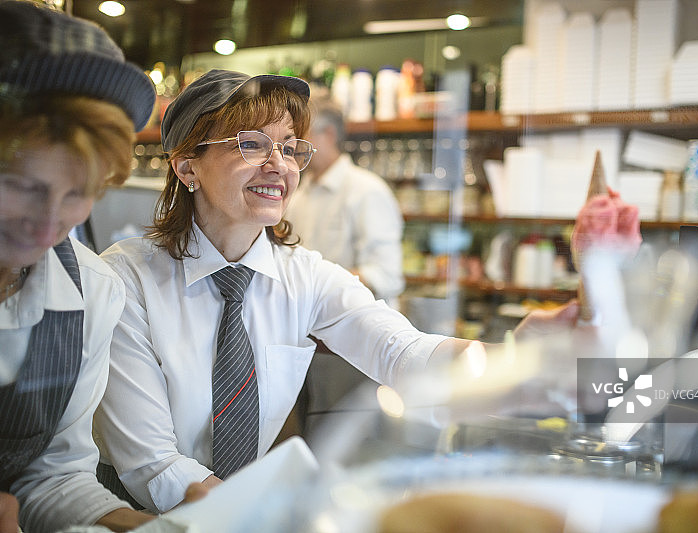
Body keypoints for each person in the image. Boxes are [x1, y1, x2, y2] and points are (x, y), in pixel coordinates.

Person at [94, 68, 579, 514]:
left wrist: (520, 358)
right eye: (251, 145)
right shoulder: (125, 281)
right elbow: (154, 463)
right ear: (187, 168)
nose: (278, 165)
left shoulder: (306, 276)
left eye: (288, 146)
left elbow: (404, 352)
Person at [0, 1, 162, 531]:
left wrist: (139, 525)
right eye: (24, 187)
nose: (48, 224)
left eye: (78, 194)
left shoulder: (92, 291)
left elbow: (51, 476)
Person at [285, 96, 404, 306]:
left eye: (301, 136)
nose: (294, 147)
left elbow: (386, 275)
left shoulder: (367, 191)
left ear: (329, 134)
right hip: (308, 323)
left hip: (357, 328)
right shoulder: (298, 192)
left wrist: (318, 285)